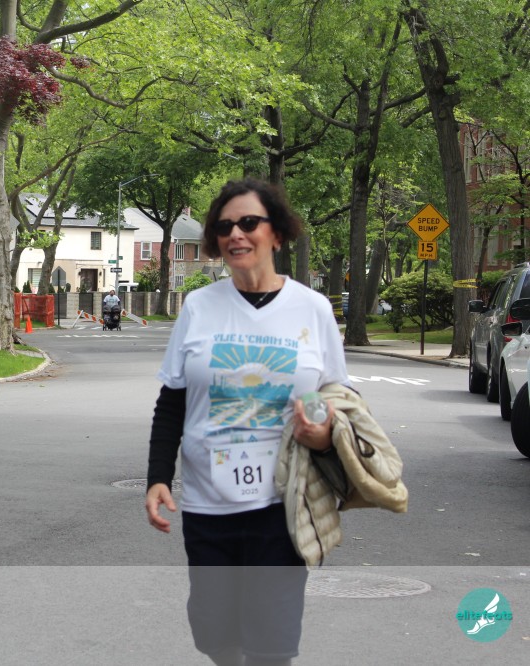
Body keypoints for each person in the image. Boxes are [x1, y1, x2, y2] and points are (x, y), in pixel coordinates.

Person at [145, 178, 350, 666]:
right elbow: (172, 401)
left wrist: (324, 435)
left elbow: (337, 399)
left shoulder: (313, 309)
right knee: (214, 634)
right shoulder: (199, 307)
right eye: (224, 227)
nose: (235, 234)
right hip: (207, 503)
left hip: (283, 504)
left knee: (271, 644)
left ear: (276, 233)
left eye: (249, 223)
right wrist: (157, 476)